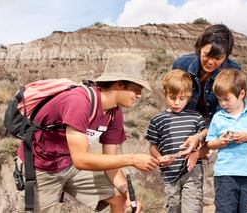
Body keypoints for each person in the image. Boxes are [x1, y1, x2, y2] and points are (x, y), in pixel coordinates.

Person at [16, 53, 159, 212]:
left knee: (118, 198)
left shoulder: (114, 113)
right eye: (137, 89)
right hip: (42, 168)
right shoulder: (79, 101)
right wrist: (132, 159)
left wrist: (127, 194)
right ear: (120, 84)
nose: (139, 95)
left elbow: (111, 164)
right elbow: (81, 160)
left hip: (69, 164)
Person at [172, 24, 241, 169]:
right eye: (206, 55)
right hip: (187, 118)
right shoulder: (181, 64)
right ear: (199, 48)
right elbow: (174, 99)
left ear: (226, 56)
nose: (210, 62)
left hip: (217, 121)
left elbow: (226, 115)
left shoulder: (233, 71)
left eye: (218, 58)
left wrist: (200, 138)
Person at [205, 68, 247, 213]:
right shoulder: (218, 117)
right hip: (225, 174)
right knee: (225, 210)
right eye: (219, 99)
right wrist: (220, 142)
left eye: (226, 99)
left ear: (241, 94)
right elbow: (210, 143)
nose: (222, 104)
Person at [146, 69, 207, 213]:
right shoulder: (157, 120)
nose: (177, 103)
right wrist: (160, 158)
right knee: (173, 208)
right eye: (172, 98)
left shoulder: (195, 117)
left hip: (192, 171)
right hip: (169, 174)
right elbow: (152, 147)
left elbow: (205, 132)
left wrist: (197, 138)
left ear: (189, 96)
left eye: (182, 98)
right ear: (165, 94)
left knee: (192, 208)